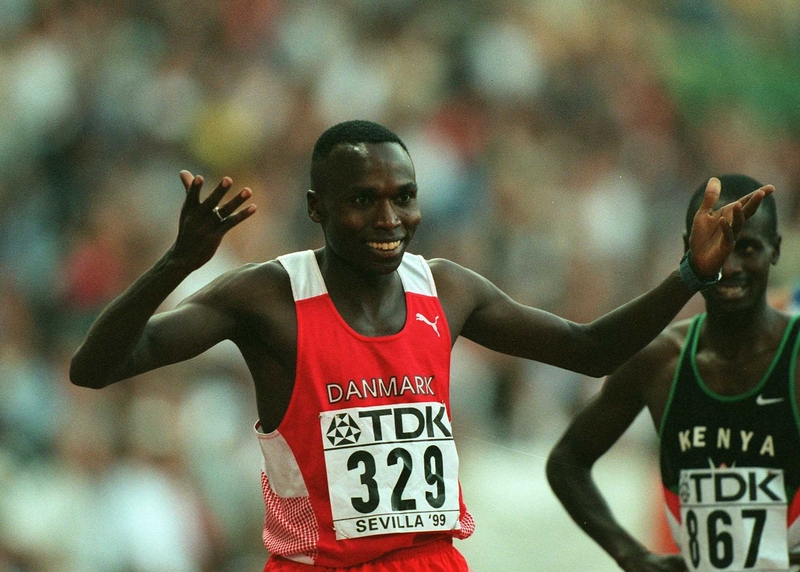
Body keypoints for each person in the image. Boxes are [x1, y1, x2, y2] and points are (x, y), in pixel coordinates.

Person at [70, 121, 772, 571]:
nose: (389, 218)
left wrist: (689, 275)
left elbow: (588, 349)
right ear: (317, 207)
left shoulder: (445, 288)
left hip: (431, 562)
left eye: (403, 197)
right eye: (363, 200)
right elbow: (96, 368)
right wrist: (177, 263)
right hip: (320, 567)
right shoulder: (267, 297)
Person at [546, 174, 799, 572]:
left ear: (776, 250)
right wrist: (631, 554)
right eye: (719, 246)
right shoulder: (658, 360)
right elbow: (566, 462)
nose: (729, 266)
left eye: (747, 247)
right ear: (688, 248)